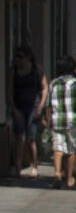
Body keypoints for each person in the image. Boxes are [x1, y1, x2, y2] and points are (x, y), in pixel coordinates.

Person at [47, 55, 76, 189]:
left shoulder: (53, 83)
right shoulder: (74, 82)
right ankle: (69, 178)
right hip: (71, 120)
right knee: (71, 149)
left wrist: (47, 118)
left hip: (56, 120)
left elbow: (48, 104)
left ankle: (57, 173)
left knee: (57, 148)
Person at [7, 45, 46, 178]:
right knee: (19, 137)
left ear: (27, 57)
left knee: (31, 138)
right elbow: (10, 92)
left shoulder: (36, 70)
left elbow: (44, 87)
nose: (18, 59)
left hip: (33, 106)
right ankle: (17, 166)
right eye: (16, 56)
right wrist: (14, 109)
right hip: (19, 107)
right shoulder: (14, 71)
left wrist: (41, 106)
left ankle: (34, 164)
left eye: (20, 56)